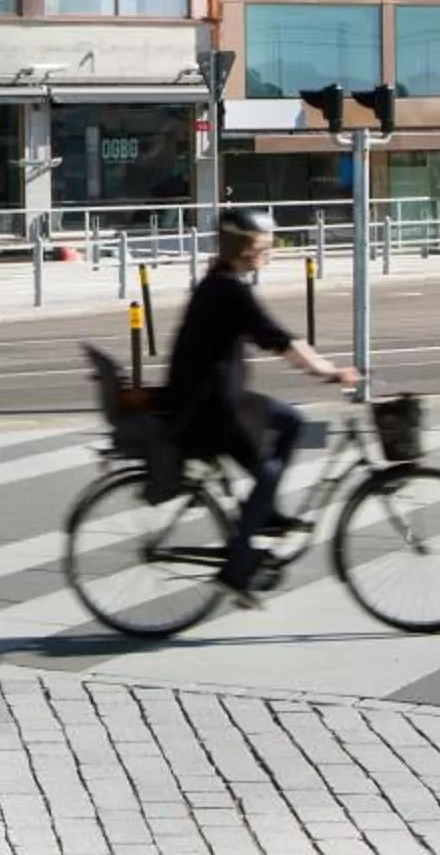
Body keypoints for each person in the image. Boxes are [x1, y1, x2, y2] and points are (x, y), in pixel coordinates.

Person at [163, 207, 360, 608]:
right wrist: (326, 370)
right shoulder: (227, 289)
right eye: (264, 245)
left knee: (291, 421)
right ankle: (236, 570)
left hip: (220, 397)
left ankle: (265, 513)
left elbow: (271, 335)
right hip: (206, 408)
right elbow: (276, 337)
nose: (269, 251)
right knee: (268, 469)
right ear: (245, 247)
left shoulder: (224, 282)